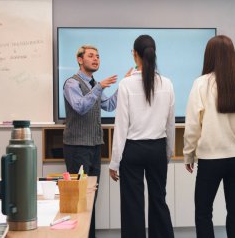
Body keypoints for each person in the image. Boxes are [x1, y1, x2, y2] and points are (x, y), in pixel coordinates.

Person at [183, 35, 235, 238]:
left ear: (209, 56)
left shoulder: (201, 83)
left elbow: (193, 125)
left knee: (203, 213)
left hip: (211, 160)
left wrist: (188, 154)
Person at [109, 35, 175, 238]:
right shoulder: (167, 84)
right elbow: (170, 124)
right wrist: (168, 152)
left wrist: (114, 163)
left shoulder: (126, 84)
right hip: (157, 149)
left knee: (132, 204)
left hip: (132, 151)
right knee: (158, 200)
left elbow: (121, 126)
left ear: (135, 54)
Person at [63, 44, 123, 238]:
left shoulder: (94, 85)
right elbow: (80, 106)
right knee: (79, 199)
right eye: (91, 56)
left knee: (91, 198)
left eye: (98, 56)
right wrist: (99, 87)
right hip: (77, 147)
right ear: (80, 60)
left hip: (95, 146)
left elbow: (109, 105)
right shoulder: (71, 83)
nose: (96, 59)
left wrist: (124, 86)